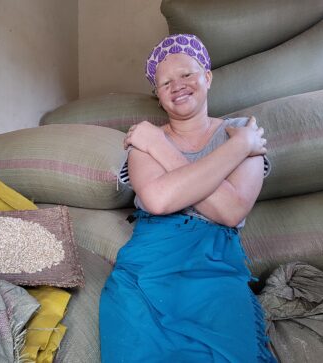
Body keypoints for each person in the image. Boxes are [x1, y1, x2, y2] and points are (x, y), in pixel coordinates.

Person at [99, 34, 277, 362]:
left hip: (214, 261)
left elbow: (231, 210)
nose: (177, 85)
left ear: (207, 77)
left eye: (186, 74)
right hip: (148, 260)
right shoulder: (144, 139)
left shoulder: (241, 130)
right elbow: (158, 201)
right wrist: (237, 150)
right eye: (165, 82)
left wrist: (163, 149)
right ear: (158, 95)